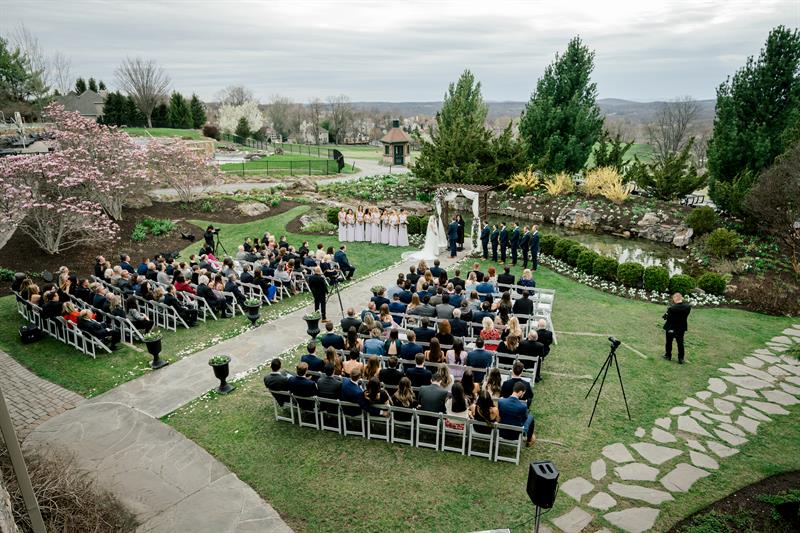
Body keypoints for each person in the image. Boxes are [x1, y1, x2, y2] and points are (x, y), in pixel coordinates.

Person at [498, 382, 536, 446]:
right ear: (520, 392)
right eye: (523, 393)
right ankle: (529, 440)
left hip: (501, 432)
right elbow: (523, 420)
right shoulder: (523, 407)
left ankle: (529, 439)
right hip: (516, 435)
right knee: (530, 417)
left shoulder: (501, 401)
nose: (523, 395)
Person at [663, 292, 691, 364]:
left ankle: (668, 355)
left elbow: (666, 317)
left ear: (675, 299)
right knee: (680, 343)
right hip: (681, 328)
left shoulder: (671, 308)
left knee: (669, 342)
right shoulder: (688, 307)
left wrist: (666, 314)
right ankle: (681, 358)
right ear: (681, 298)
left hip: (671, 328)